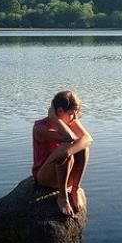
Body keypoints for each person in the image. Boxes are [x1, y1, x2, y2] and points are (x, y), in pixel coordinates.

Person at [32, 90, 93, 218]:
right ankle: (62, 196)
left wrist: (69, 152)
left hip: (64, 175)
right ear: (59, 111)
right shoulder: (40, 128)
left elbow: (88, 139)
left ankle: (74, 190)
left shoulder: (71, 121)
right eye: (71, 114)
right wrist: (55, 119)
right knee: (68, 146)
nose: (74, 118)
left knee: (83, 147)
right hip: (44, 177)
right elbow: (68, 138)